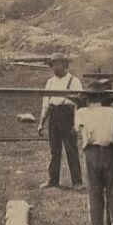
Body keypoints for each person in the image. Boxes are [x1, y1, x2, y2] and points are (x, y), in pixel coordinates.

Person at [74, 80, 113, 225]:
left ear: (87, 98)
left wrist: (78, 106)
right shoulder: (110, 111)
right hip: (110, 150)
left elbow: (76, 128)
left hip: (93, 152)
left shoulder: (82, 112)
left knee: (95, 193)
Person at [38, 53, 83, 189]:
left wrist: (77, 122)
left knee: (71, 149)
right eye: (53, 64)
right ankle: (53, 180)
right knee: (54, 149)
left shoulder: (74, 81)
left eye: (58, 64)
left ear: (65, 65)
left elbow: (79, 104)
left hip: (68, 116)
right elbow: (45, 104)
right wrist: (41, 123)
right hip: (54, 116)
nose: (55, 67)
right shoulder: (50, 82)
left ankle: (77, 182)